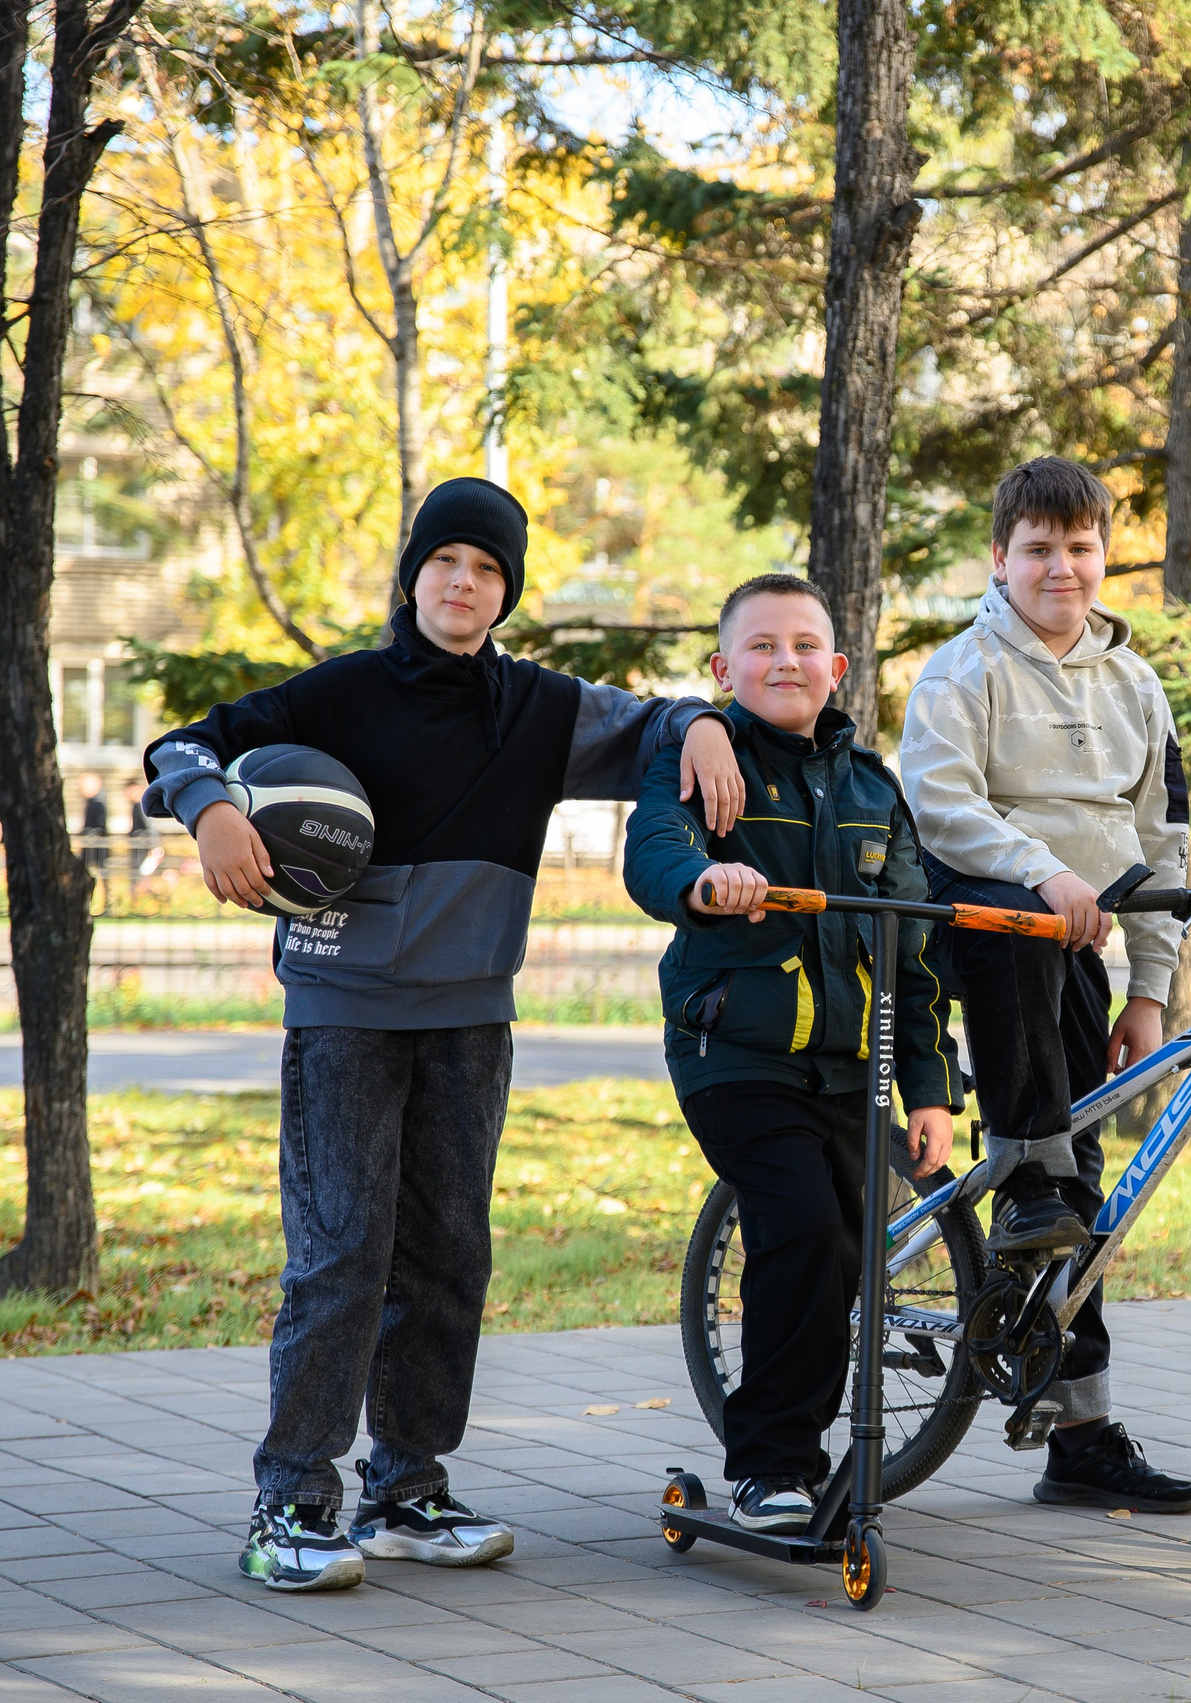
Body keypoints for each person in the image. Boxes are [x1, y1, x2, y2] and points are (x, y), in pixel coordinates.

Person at [141, 477, 744, 1592]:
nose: (463, 583)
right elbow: (186, 744)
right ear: (413, 574)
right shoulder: (343, 694)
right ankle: (293, 1500)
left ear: (506, 592)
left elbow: (655, 720)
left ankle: (406, 1486)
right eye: (445, 563)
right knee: (341, 1253)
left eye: (487, 569)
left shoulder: (542, 711)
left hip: (472, 1015)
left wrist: (701, 721)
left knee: (449, 1253)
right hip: (343, 1016)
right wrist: (213, 808)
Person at [896, 455, 1191, 1514]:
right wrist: (1043, 868)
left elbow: (1162, 838)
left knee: (1086, 1191)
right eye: (1037, 547)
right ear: (999, 557)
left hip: (1081, 940)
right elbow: (940, 807)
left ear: (1103, 555)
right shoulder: (961, 670)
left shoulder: (1137, 683)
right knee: (1051, 1176)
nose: (1060, 567)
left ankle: (1079, 1435)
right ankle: (1024, 1178)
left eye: (1079, 547)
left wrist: (1150, 993)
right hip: (982, 921)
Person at [622, 573, 956, 1533]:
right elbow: (655, 850)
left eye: (806, 645)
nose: (785, 661)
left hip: (854, 1070)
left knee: (852, 1252)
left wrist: (930, 1090)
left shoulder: (871, 788)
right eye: (761, 647)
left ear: (838, 667)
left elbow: (913, 947)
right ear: (725, 668)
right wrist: (704, 877)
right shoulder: (707, 759)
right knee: (803, 1225)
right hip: (737, 1055)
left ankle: (809, 1454)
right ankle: (769, 1466)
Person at [78, 774, 111, 907]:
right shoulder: (93, 802)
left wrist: (88, 837)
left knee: (99, 874)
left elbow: (98, 825)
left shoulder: (98, 803)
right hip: (92, 845)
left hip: (95, 846)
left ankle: (103, 904)